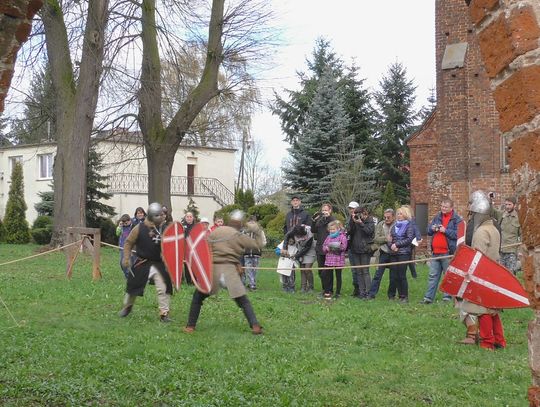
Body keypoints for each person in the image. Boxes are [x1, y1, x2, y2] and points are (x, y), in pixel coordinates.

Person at [183, 210, 265, 335]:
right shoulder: (240, 236)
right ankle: (255, 325)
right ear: (240, 223)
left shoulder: (217, 231)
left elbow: (204, 246)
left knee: (198, 297)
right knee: (243, 300)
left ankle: (190, 326)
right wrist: (257, 230)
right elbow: (259, 245)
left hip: (214, 271)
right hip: (229, 272)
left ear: (229, 221)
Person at [459, 190, 506, 350]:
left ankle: (488, 342)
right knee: (493, 309)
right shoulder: (494, 228)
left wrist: (469, 274)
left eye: (473, 213)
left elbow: (477, 256)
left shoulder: (481, 231)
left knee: (482, 310)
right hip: (493, 271)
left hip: (482, 274)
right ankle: (500, 340)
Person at [118, 202, 173, 322]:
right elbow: (128, 243)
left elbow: (173, 245)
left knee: (163, 288)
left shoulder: (165, 229)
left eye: (162, 215)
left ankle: (164, 314)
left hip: (159, 263)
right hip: (142, 262)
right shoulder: (139, 228)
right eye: (158, 215)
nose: (161, 217)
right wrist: (126, 258)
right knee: (133, 287)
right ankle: (127, 307)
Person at [421, 198, 463, 304]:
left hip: (447, 253)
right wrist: (433, 228)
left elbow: (458, 235)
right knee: (432, 276)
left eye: (445, 207)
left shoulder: (456, 219)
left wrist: (445, 230)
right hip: (435, 252)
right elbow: (428, 230)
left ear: (451, 208)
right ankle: (428, 298)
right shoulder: (437, 217)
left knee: (448, 276)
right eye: (442, 206)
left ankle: (447, 298)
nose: (443, 209)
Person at [367, 209, 396, 299]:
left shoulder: (397, 225)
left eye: (388, 217)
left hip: (394, 254)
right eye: (385, 217)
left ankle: (391, 296)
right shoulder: (380, 224)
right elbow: (376, 239)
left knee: (393, 276)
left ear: (393, 217)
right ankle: (372, 294)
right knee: (378, 275)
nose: (386, 219)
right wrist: (386, 239)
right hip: (382, 253)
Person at [388, 206, 415, 303]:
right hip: (393, 253)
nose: (399, 216)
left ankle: (404, 296)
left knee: (401, 275)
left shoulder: (409, 225)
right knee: (394, 275)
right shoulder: (394, 226)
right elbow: (390, 238)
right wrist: (391, 245)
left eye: (401, 214)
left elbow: (409, 239)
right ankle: (396, 295)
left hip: (404, 253)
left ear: (405, 214)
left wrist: (397, 244)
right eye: (398, 214)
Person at [347, 206, 375, 298]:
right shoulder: (354, 220)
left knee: (365, 271)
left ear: (364, 213)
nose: (358, 216)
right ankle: (361, 292)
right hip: (355, 248)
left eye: (359, 214)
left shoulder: (370, 220)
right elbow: (349, 231)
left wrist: (361, 223)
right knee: (358, 272)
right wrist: (352, 221)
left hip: (365, 249)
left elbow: (369, 232)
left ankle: (368, 292)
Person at [282, 224, 316, 293]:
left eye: (300, 236)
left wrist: (296, 256)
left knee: (307, 269)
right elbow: (287, 236)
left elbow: (307, 248)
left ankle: (311, 287)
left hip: (310, 249)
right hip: (300, 248)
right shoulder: (294, 230)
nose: (298, 237)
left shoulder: (309, 234)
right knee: (302, 268)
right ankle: (303, 287)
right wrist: (285, 248)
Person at [311, 203, 335, 290]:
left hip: (329, 249)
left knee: (328, 271)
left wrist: (328, 217)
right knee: (321, 271)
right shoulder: (320, 220)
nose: (324, 212)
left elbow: (334, 228)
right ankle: (324, 289)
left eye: (326, 210)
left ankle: (329, 290)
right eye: (323, 210)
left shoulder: (333, 219)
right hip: (320, 248)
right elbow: (313, 230)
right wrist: (313, 221)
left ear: (330, 211)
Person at [322, 220, 348, 299]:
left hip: (338, 259)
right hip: (329, 260)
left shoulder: (342, 236)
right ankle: (328, 291)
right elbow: (324, 246)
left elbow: (344, 247)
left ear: (338, 229)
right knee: (327, 276)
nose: (332, 231)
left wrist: (335, 247)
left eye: (333, 229)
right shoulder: (328, 237)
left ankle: (338, 292)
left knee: (338, 276)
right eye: (330, 229)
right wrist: (326, 248)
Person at [243, 215, 266, 291]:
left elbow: (264, 242)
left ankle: (252, 283)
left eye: (253, 222)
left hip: (256, 253)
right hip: (247, 253)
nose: (251, 224)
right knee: (248, 269)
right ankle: (252, 284)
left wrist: (259, 245)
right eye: (250, 222)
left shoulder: (260, 231)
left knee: (255, 269)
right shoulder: (245, 231)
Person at [499, 196, 521, 275]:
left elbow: (521, 235)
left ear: (514, 205)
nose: (507, 207)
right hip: (501, 250)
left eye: (509, 204)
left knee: (511, 275)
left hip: (511, 251)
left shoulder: (518, 218)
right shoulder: (502, 216)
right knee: (501, 274)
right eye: (506, 204)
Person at [116, 214, 133, 279]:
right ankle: (127, 275)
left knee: (129, 263)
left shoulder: (132, 226)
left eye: (126, 223)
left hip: (130, 248)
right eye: (124, 223)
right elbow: (117, 234)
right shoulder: (121, 227)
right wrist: (119, 226)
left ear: (129, 221)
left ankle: (129, 276)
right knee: (121, 263)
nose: (125, 224)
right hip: (122, 247)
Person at [181, 211, 197, 285]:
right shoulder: (182, 226)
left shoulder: (196, 226)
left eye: (190, 217)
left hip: (194, 249)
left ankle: (195, 280)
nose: (189, 218)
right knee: (187, 265)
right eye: (187, 217)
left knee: (194, 265)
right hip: (185, 248)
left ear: (193, 218)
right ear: (185, 218)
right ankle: (188, 281)